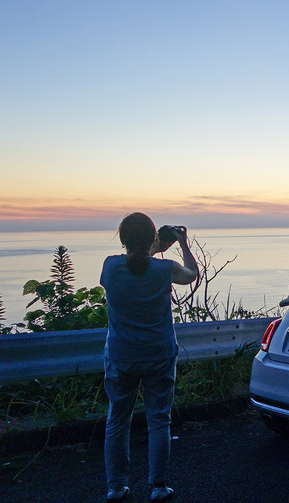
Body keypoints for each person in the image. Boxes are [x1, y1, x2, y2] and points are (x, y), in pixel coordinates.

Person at [100, 213, 198, 502]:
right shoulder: (165, 270)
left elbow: (136, 262)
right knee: (158, 420)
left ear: (122, 239)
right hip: (158, 354)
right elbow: (192, 275)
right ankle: (157, 486)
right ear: (152, 239)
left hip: (121, 356)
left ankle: (116, 487)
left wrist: (152, 247)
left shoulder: (110, 266)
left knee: (117, 420)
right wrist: (182, 243)